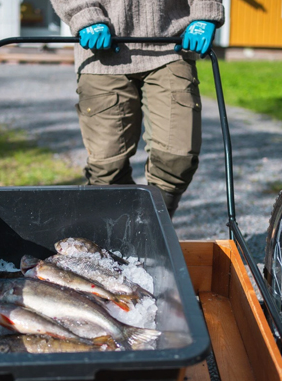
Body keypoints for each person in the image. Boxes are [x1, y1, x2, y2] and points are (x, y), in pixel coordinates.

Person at [49, 1, 225, 218]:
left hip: (172, 46)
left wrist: (205, 14)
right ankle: (119, 230)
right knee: (107, 168)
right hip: (101, 50)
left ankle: (152, 227)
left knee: (177, 157)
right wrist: (83, 14)